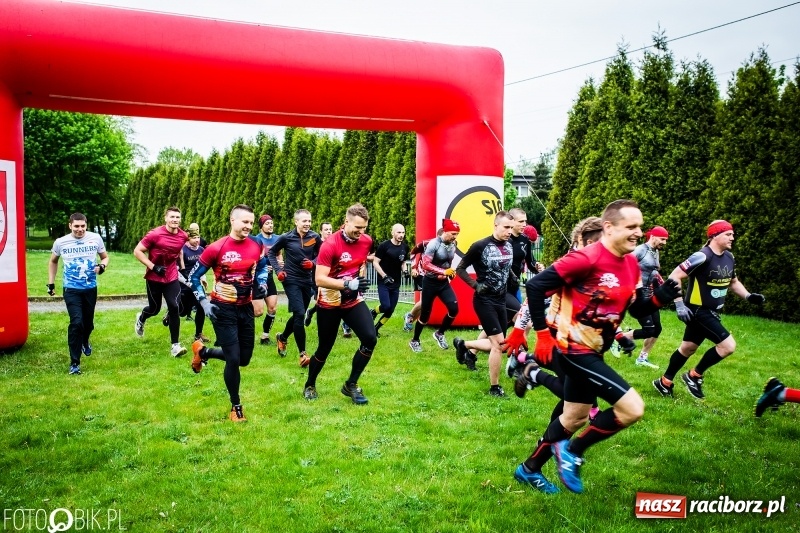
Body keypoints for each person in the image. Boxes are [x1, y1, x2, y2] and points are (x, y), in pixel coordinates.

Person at [514, 200, 681, 494]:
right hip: (573, 351)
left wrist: (660, 298)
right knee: (632, 408)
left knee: (574, 417)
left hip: (593, 351)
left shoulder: (631, 263)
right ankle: (573, 452)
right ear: (609, 227)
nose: (638, 233)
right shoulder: (584, 259)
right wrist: (540, 334)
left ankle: (528, 470)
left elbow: (639, 309)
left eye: (640, 227)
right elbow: (537, 285)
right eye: (631, 227)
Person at [653, 220, 765, 400]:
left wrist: (748, 296)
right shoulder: (702, 256)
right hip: (697, 311)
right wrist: (679, 304)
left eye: (732, 234)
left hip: (711, 312)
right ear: (715, 235)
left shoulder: (729, 257)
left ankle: (664, 382)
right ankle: (693, 376)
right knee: (728, 346)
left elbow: (733, 282)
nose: (732, 237)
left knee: (687, 348)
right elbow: (675, 276)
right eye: (728, 234)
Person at [189, 204, 268, 422]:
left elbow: (262, 267)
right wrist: (204, 303)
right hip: (221, 309)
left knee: (244, 359)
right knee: (233, 359)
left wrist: (260, 284)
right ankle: (236, 406)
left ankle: (203, 353)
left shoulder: (256, 244)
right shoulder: (216, 248)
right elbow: (193, 278)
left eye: (251, 223)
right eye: (245, 222)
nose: (248, 226)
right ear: (232, 220)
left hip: (245, 307)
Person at [302, 203, 376, 404]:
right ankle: (310, 384)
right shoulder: (330, 245)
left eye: (364, 228)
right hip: (330, 300)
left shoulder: (366, 241)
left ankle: (350, 384)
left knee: (370, 338)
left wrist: (359, 281)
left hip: (352, 299)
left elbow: (359, 262)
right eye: (357, 228)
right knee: (325, 347)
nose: (361, 233)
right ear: (346, 223)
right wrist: (347, 283)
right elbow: (319, 279)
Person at [454, 211, 515, 396]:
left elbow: (506, 266)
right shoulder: (480, 246)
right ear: (495, 225)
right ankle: (494, 387)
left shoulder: (509, 245)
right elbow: (460, 268)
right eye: (506, 227)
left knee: (500, 345)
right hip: (484, 300)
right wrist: (474, 285)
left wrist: (512, 277)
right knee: (498, 346)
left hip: (501, 299)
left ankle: (464, 345)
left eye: (511, 228)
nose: (509, 231)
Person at [47, 212, 109, 375]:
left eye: (82, 226)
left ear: (86, 225)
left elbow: (105, 258)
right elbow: (53, 261)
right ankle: (74, 362)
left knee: (88, 324)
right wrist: (51, 283)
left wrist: (102, 267)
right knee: (76, 322)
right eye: (76, 226)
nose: (80, 229)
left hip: (90, 288)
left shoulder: (95, 238)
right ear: (70, 226)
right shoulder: (61, 242)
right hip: (71, 289)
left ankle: (85, 340)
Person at [133, 206, 189, 357]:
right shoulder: (155, 234)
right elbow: (137, 251)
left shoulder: (183, 236)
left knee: (174, 306)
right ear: (165, 218)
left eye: (177, 217)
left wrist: (182, 266)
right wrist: (153, 266)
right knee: (154, 308)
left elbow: (183, 249)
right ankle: (142, 317)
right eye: (172, 217)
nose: (175, 220)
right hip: (154, 276)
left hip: (171, 274)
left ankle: (175, 346)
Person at [269, 209, 321, 366]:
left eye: (309, 221)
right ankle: (303, 354)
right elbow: (271, 253)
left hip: (307, 280)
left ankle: (283, 337)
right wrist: (279, 271)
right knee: (299, 313)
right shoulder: (286, 237)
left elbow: (322, 255)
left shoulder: (314, 237)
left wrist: (313, 263)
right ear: (296, 222)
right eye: (304, 221)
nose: (307, 224)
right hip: (290, 279)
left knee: (299, 314)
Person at [620, 226, 669, 369]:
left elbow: (652, 271)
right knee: (649, 330)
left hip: (650, 294)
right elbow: (624, 266)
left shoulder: (655, 252)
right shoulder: (641, 249)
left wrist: (661, 284)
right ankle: (620, 338)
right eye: (662, 239)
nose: (664, 243)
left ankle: (642, 358)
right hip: (638, 296)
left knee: (657, 329)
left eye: (666, 240)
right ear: (653, 237)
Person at [409, 220, 460, 352]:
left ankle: (440, 333)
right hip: (430, 283)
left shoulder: (454, 243)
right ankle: (415, 341)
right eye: (453, 233)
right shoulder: (433, 244)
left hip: (443, 283)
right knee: (425, 315)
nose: (455, 237)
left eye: (457, 234)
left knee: (454, 308)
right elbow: (426, 265)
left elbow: (447, 263)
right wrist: (444, 271)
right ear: (445, 231)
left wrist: (450, 273)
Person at [371, 224, 410, 337]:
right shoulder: (384, 246)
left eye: (403, 232)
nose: (401, 235)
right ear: (392, 233)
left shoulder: (405, 247)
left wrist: (405, 271)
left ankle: (376, 328)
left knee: (390, 310)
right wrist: (384, 276)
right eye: (398, 232)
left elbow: (402, 262)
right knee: (386, 306)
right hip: (383, 282)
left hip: (396, 283)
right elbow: (375, 262)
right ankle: (373, 312)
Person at [403, 229, 443, 332]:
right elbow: (413, 253)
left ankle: (410, 320)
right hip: (421, 274)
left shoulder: (448, 246)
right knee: (424, 301)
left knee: (426, 303)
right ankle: (409, 316)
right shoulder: (427, 243)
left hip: (434, 276)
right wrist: (413, 268)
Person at [174, 226, 209, 343]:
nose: (197, 240)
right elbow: (177, 269)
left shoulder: (201, 250)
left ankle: (198, 334)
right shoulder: (182, 250)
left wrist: (203, 278)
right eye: (194, 238)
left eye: (198, 237)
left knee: (201, 307)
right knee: (183, 311)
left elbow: (203, 266)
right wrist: (186, 282)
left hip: (197, 283)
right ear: (188, 239)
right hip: (184, 284)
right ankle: (170, 313)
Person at [251, 214, 280, 345]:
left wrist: (279, 264)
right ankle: (239, 324)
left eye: (271, 223)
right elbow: (251, 259)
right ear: (261, 226)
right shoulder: (256, 240)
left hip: (269, 278)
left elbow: (279, 254)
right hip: (256, 279)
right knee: (257, 312)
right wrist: (261, 268)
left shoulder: (277, 239)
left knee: (272, 308)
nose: (270, 225)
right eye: (267, 223)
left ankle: (265, 336)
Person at [304, 221, 334, 327]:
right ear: (320, 231)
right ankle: (322, 325)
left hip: (332, 276)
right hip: (317, 276)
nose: (329, 232)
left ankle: (311, 312)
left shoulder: (333, 244)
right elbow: (310, 259)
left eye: (330, 229)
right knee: (321, 301)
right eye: (326, 230)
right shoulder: (316, 244)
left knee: (327, 301)